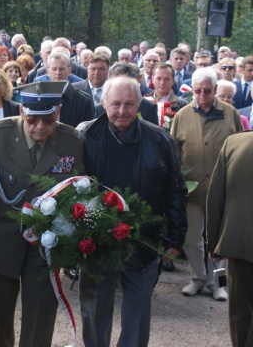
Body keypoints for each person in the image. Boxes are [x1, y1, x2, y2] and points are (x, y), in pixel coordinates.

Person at [0, 81, 85, 347]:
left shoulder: (71, 140)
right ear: (21, 110)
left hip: (46, 245)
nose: (40, 127)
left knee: (40, 317)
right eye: (33, 120)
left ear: (58, 113)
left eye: (48, 121)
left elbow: (80, 188)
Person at [77, 76, 187, 347]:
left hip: (144, 239)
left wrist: (174, 239)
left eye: (129, 104)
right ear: (103, 103)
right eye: (115, 104)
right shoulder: (84, 135)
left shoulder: (159, 139)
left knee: (137, 312)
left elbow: (175, 190)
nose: (122, 111)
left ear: (140, 103)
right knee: (94, 307)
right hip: (97, 239)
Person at [171, 68, 243, 301]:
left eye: (207, 91)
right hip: (192, 190)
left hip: (222, 191)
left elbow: (240, 149)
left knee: (219, 242)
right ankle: (197, 279)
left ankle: (219, 284)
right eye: (198, 90)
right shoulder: (182, 115)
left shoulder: (230, 113)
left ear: (215, 90)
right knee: (192, 239)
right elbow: (174, 151)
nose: (202, 95)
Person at [206, 131, 253, 347]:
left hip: (238, 242)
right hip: (239, 243)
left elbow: (215, 197)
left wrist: (214, 241)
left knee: (240, 310)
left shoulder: (235, 142)